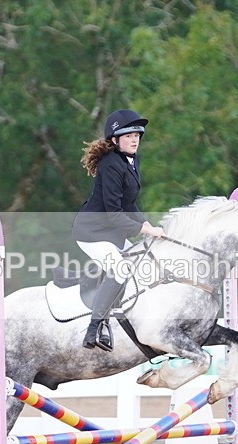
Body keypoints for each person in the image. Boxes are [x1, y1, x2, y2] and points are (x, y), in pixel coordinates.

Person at [72, 109, 165, 351]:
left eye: (137, 134)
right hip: (92, 233)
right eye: (128, 136)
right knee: (122, 269)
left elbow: (128, 203)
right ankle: (94, 328)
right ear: (115, 140)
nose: (135, 139)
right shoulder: (111, 164)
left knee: (143, 262)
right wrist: (144, 231)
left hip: (111, 232)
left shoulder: (131, 161)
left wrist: (146, 224)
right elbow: (113, 213)